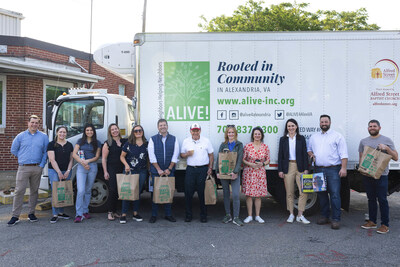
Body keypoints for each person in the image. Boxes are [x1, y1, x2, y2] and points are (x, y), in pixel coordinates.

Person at [307, 115, 348, 230]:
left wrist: (343, 168)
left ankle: (336, 219)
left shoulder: (337, 136)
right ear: (319, 123)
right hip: (318, 169)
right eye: (322, 122)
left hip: (333, 169)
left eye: (326, 121)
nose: (324, 123)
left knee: (334, 194)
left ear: (330, 122)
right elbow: (309, 149)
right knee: (321, 194)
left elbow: (344, 154)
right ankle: (324, 216)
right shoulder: (314, 137)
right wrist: (311, 154)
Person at [7, 115, 48, 226]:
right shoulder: (21, 136)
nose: (34, 124)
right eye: (32, 122)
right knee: (19, 191)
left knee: (34, 191)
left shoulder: (43, 137)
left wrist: (41, 165)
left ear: (39, 124)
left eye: (36, 123)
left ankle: (31, 213)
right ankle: (15, 216)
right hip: (23, 167)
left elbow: (45, 152)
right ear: (28, 123)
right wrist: (22, 158)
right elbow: (13, 149)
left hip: (37, 167)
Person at [358, 120, 398, 234]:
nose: (372, 128)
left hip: (382, 175)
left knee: (382, 199)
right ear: (367, 128)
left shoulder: (387, 140)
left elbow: (396, 157)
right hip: (367, 175)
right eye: (370, 126)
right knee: (371, 199)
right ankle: (372, 221)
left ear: (379, 128)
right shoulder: (363, 141)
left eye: (374, 126)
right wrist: (361, 169)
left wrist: (387, 148)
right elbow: (361, 157)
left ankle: (385, 225)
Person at [278, 119, 310, 224]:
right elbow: (280, 156)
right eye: (289, 126)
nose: (290, 128)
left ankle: (300, 215)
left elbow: (305, 155)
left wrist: (306, 168)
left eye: (292, 126)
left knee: (304, 191)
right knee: (289, 192)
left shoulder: (301, 138)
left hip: (300, 167)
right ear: (286, 128)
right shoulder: (283, 139)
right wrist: (280, 170)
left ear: (296, 126)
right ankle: (291, 214)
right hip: (288, 167)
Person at [180, 123, 214, 223]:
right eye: (193, 130)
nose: (195, 132)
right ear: (190, 131)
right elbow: (182, 155)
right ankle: (188, 215)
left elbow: (211, 155)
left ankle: (203, 215)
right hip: (190, 169)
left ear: (200, 131)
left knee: (202, 193)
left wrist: (210, 167)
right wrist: (187, 154)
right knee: (188, 193)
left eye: (197, 130)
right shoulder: (186, 141)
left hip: (202, 169)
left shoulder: (206, 141)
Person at [148, 119, 179, 223]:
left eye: (164, 125)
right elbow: (151, 156)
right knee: (154, 193)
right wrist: (158, 169)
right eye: (161, 125)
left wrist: (169, 169)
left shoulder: (174, 139)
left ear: (167, 126)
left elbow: (175, 155)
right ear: (158, 127)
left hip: (169, 171)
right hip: (156, 171)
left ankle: (168, 214)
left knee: (168, 192)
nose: (163, 127)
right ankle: (154, 215)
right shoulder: (153, 139)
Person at [216, 125, 244, 226]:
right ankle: (228, 215)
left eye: (232, 132)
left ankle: (236, 217)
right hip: (223, 172)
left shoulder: (239, 145)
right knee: (226, 194)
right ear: (226, 134)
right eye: (229, 132)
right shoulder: (223, 145)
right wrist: (217, 172)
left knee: (236, 195)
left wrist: (235, 172)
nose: (230, 134)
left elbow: (240, 159)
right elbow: (219, 158)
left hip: (234, 174)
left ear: (235, 133)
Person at [72, 124, 101, 223]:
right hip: (81, 167)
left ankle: (85, 211)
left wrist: (87, 161)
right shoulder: (80, 141)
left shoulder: (97, 142)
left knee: (88, 190)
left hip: (92, 166)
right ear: (84, 131)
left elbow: (97, 156)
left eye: (91, 130)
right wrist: (82, 162)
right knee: (81, 190)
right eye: (87, 130)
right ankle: (78, 214)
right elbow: (74, 154)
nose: (89, 132)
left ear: (94, 131)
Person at [119, 125, 148, 224]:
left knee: (137, 193)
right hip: (130, 171)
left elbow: (148, 159)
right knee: (126, 192)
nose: (138, 132)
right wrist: (126, 165)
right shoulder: (128, 143)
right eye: (136, 131)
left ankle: (135, 213)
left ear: (142, 132)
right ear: (133, 133)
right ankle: (123, 214)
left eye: (140, 130)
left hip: (142, 171)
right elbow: (122, 157)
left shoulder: (146, 144)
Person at [242, 126, 270, 224]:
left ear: (261, 135)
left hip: (260, 173)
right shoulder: (247, 146)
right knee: (249, 195)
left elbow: (268, 160)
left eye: (259, 134)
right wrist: (251, 164)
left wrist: (262, 164)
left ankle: (257, 216)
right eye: (255, 134)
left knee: (258, 195)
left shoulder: (265, 146)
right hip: (249, 172)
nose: (257, 135)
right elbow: (243, 159)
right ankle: (249, 216)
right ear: (253, 135)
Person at [47, 126, 74, 223]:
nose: (62, 134)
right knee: (56, 191)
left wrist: (68, 171)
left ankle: (61, 213)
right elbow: (52, 160)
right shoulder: (51, 144)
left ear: (66, 133)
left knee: (63, 191)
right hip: (54, 170)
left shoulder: (70, 145)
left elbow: (71, 159)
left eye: (64, 132)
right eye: (60, 132)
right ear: (57, 133)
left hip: (66, 170)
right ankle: (55, 214)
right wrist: (58, 172)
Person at [102, 123, 127, 221]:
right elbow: (104, 159)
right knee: (112, 190)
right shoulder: (107, 143)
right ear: (110, 132)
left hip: (122, 168)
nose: (115, 131)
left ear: (119, 130)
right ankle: (109, 212)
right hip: (112, 169)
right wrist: (105, 172)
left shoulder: (124, 141)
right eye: (112, 130)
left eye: (116, 129)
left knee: (119, 191)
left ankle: (115, 211)